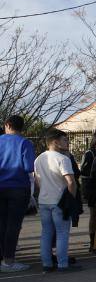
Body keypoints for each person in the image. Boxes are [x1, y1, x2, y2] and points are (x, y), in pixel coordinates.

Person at [34, 129, 81, 273]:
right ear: (55, 142)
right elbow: (71, 181)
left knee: (46, 232)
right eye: (64, 140)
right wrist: (71, 198)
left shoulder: (38, 159)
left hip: (44, 200)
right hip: (60, 200)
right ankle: (62, 264)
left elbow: (37, 181)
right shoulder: (63, 159)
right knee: (62, 233)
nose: (67, 142)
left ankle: (47, 264)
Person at [0, 115, 35, 272]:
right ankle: (8, 261)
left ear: (7, 125)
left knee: (1, 224)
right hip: (18, 187)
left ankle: (3, 258)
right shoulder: (25, 143)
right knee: (13, 226)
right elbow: (29, 167)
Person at [80, 130, 96, 252]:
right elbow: (83, 173)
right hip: (93, 190)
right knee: (94, 216)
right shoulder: (89, 154)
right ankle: (93, 243)